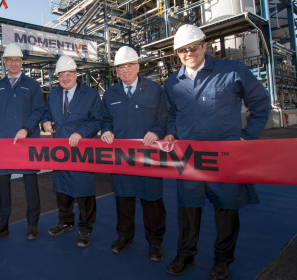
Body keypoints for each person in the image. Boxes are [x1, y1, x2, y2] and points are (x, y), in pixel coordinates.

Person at [164, 24, 271, 279]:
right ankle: (185, 255)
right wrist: (171, 132)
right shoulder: (172, 83)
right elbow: (171, 114)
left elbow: (260, 102)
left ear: (204, 46)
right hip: (189, 157)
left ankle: (223, 260)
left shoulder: (232, 71)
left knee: (226, 209)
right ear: (177, 53)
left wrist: (247, 136)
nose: (188, 53)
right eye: (182, 50)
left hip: (224, 157)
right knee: (188, 208)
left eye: (193, 47)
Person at [101, 46, 167, 260]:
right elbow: (106, 119)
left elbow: (164, 119)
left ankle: (155, 241)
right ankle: (124, 236)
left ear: (138, 67)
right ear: (116, 71)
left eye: (129, 65)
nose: (125, 70)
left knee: (152, 200)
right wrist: (106, 131)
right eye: (121, 67)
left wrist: (156, 133)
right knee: (123, 198)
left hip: (149, 155)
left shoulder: (154, 89)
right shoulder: (110, 94)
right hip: (122, 157)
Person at [0, 43, 45, 243]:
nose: (13, 63)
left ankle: (33, 224)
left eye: (17, 59)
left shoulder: (32, 85)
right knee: (1, 186)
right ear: (5, 62)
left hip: (27, 142)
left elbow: (39, 110)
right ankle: (1, 226)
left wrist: (27, 128)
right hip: (2, 143)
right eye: (10, 60)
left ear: (22, 62)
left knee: (31, 186)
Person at [41, 55, 102, 248]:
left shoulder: (90, 94)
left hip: (81, 150)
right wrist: (45, 121)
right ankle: (66, 221)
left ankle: (85, 228)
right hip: (60, 150)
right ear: (57, 76)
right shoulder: (53, 94)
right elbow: (46, 113)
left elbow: (97, 120)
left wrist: (81, 133)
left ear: (76, 74)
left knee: (84, 191)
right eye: (61, 75)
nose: (65, 78)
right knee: (62, 189)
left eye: (69, 74)